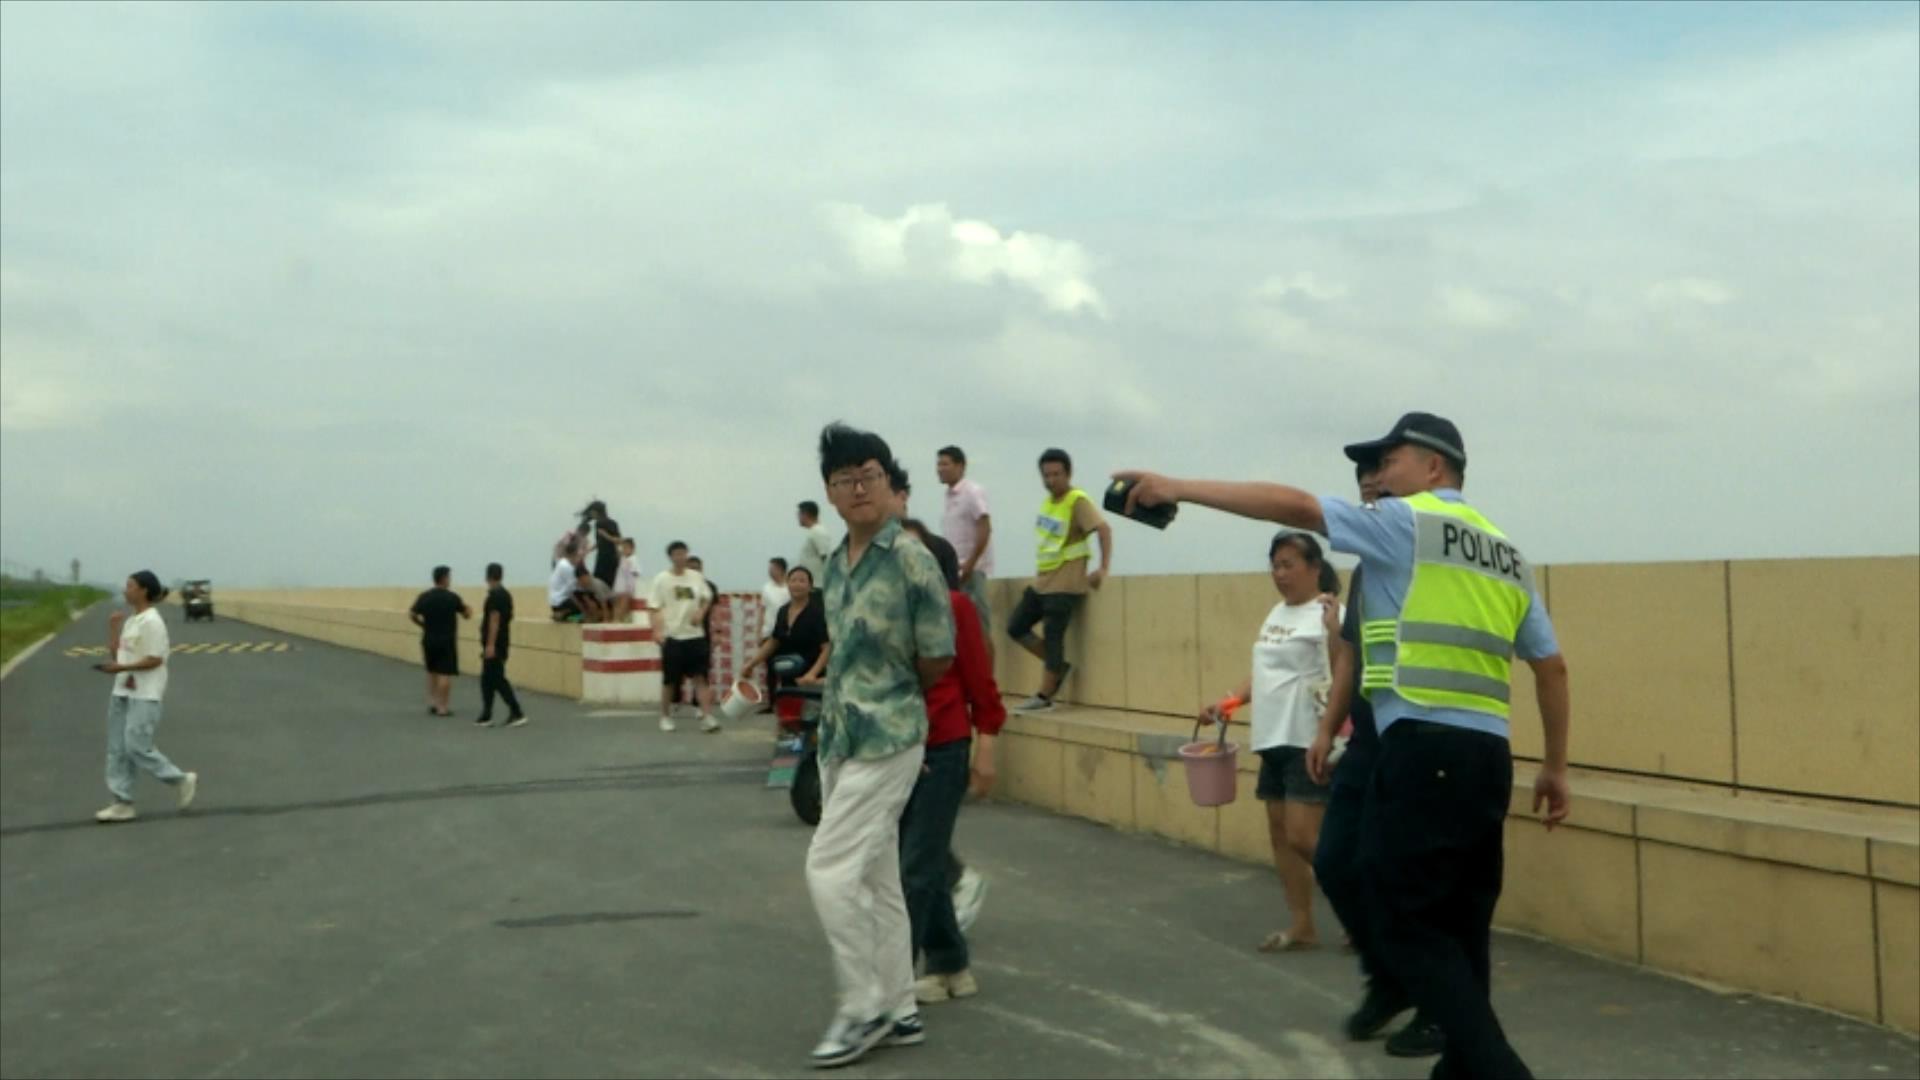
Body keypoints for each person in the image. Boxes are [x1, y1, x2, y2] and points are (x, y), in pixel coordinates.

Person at [1115, 411, 1573, 1080]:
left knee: (1400, 912)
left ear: (1435, 468)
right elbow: (1551, 667)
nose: (1381, 475)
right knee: (1461, 920)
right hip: (1488, 756)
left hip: (1421, 745)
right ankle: (1467, 1068)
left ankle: (1499, 1069)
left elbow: (1297, 506)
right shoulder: (1506, 553)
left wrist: (1179, 487)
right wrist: (1555, 766)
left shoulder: (1408, 523)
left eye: (1393, 461)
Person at [804, 423, 954, 1069]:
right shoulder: (836, 562)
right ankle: (898, 1004)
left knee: (828, 868)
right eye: (844, 479)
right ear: (830, 494)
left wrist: (890, 698)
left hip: (889, 735)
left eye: (869, 475)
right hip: (840, 735)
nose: (858, 488)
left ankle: (862, 1006)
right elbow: (842, 651)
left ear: (891, 486)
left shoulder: (911, 558)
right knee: (877, 877)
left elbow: (937, 656)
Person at [1307, 459, 1444, 1058]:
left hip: (1419, 734)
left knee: (1411, 875)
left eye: (1379, 485)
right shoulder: (1364, 573)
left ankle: (1440, 1006)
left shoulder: (1424, 558)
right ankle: (1387, 979)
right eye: (1363, 489)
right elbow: (1350, 660)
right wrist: (1326, 730)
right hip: (1367, 735)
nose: (1370, 494)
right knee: (1336, 860)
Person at [1202, 532, 1344, 954]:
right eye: (1275, 565)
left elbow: (1345, 668)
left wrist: (1336, 629)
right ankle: (1302, 924)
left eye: (1289, 565)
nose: (1280, 574)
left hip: (1308, 736)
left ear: (1314, 567)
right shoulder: (1277, 613)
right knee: (1281, 836)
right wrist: (1228, 702)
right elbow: (1264, 672)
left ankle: (1363, 904)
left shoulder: (1328, 611)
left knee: (1304, 836)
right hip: (1272, 735)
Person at [897, 520, 1004, 1008]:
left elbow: (980, 683)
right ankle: (951, 965)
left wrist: (986, 748)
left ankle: (889, 984)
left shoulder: (955, 606)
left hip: (945, 747)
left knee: (916, 869)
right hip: (898, 751)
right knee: (925, 863)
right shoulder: (890, 612)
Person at [1008, 448, 1113, 713]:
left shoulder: (1076, 501)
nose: (1051, 480)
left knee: (1054, 635)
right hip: (1043, 581)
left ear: (1068, 474)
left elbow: (1103, 530)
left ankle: (1045, 695)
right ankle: (1057, 668)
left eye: (1056, 474)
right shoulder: (1049, 503)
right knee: (1016, 626)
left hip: (1066, 583)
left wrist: (1102, 568)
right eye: (1046, 475)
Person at [93, 571, 197, 823]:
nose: (125, 590)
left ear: (144, 591)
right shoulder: (132, 620)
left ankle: (180, 779)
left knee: (136, 746)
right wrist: (114, 628)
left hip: (145, 694)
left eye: (130, 586)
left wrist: (120, 669)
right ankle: (122, 802)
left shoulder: (153, 622)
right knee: (117, 749)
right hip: (122, 691)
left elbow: (155, 659)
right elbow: (119, 654)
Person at [937, 445, 995, 664]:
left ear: (960, 466)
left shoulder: (972, 492)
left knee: (980, 629)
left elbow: (985, 526)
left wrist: (971, 563)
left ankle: (989, 684)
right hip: (955, 572)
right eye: (938, 464)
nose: (940, 469)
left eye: (945, 464)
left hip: (972, 571)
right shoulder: (949, 497)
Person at [651, 542, 718, 733]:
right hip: (673, 636)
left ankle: (707, 716)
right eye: (676, 554)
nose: (681, 557)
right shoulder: (661, 580)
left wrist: (701, 612)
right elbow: (653, 607)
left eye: (683, 553)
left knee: (701, 678)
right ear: (670, 557)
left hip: (695, 636)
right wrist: (656, 630)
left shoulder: (696, 577)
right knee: (670, 681)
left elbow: (708, 597)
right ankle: (665, 716)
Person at [740, 565, 830, 687]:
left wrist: (812, 674)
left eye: (802, 581)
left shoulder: (817, 612)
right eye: (793, 580)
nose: (797, 584)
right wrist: (751, 664)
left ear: (810, 586)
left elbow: (827, 648)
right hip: (789, 676)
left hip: (811, 679)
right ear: (788, 584)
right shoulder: (783, 611)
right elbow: (774, 641)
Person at [409, 565, 472, 717]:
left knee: (432, 671)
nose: (450, 580)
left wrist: (423, 625)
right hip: (446, 640)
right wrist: (468, 609)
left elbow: (412, 614)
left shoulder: (425, 596)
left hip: (429, 638)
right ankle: (442, 707)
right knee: (445, 673)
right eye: (449, 577)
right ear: (444, 578)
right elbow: (467, 614)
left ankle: (433, 703)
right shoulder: (452, 597)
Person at [475, 562, 528, 729]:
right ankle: (486, 713)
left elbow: (494, 620)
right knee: (487, 679)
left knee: (497, 678)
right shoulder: (505, 595)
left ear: (488, 577)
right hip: (502, 641)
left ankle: (516, 711)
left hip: (496, 644)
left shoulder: (495, 596)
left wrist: (490, 645)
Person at [584, 500, 625, 589]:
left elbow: (615, 540)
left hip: (604, 558)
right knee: (610, 585)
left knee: (599, 585)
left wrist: (606, 536)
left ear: (596, 512)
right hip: (612, 558)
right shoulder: (613, 523)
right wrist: (589, 549)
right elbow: (617, 540)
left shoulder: (600, 523)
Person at [797, 500, 835, 582]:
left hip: (818, 585)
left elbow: (826, 558)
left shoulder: (818, 531)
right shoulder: (814, 532)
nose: (798, 518)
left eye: (799, 514)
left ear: (806, 514)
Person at [549, 545, 587, 621]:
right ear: (573, 555)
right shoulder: (567, 567)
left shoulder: (562, 563)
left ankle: (562, 614)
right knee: (586, 607)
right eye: (579, 556)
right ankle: (564, 614)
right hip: (560, 602)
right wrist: (582, 609)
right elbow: (572, 591)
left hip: (555, 601)